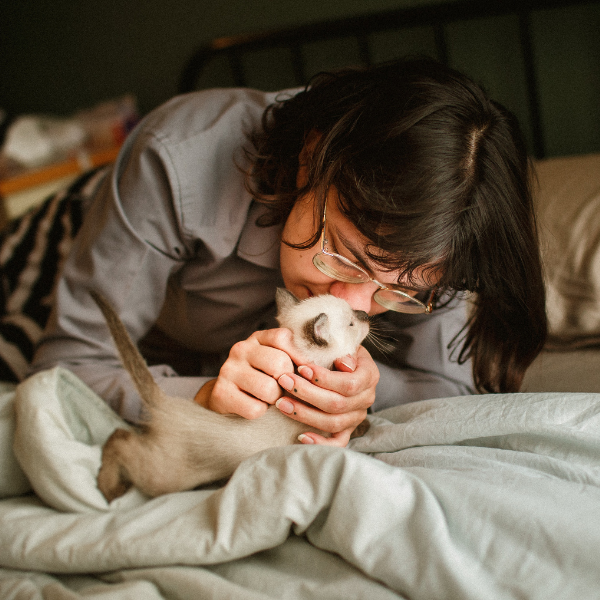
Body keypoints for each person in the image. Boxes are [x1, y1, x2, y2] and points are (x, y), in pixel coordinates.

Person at [30, 57, 547, 447]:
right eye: (344, 256)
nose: (357, 307)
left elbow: (448, 389)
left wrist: (366, 391)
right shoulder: (175, 161)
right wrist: (205, 397)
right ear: (308, 161)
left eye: (398, 291)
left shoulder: (445, 228)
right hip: (63, 223)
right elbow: (67, 367)